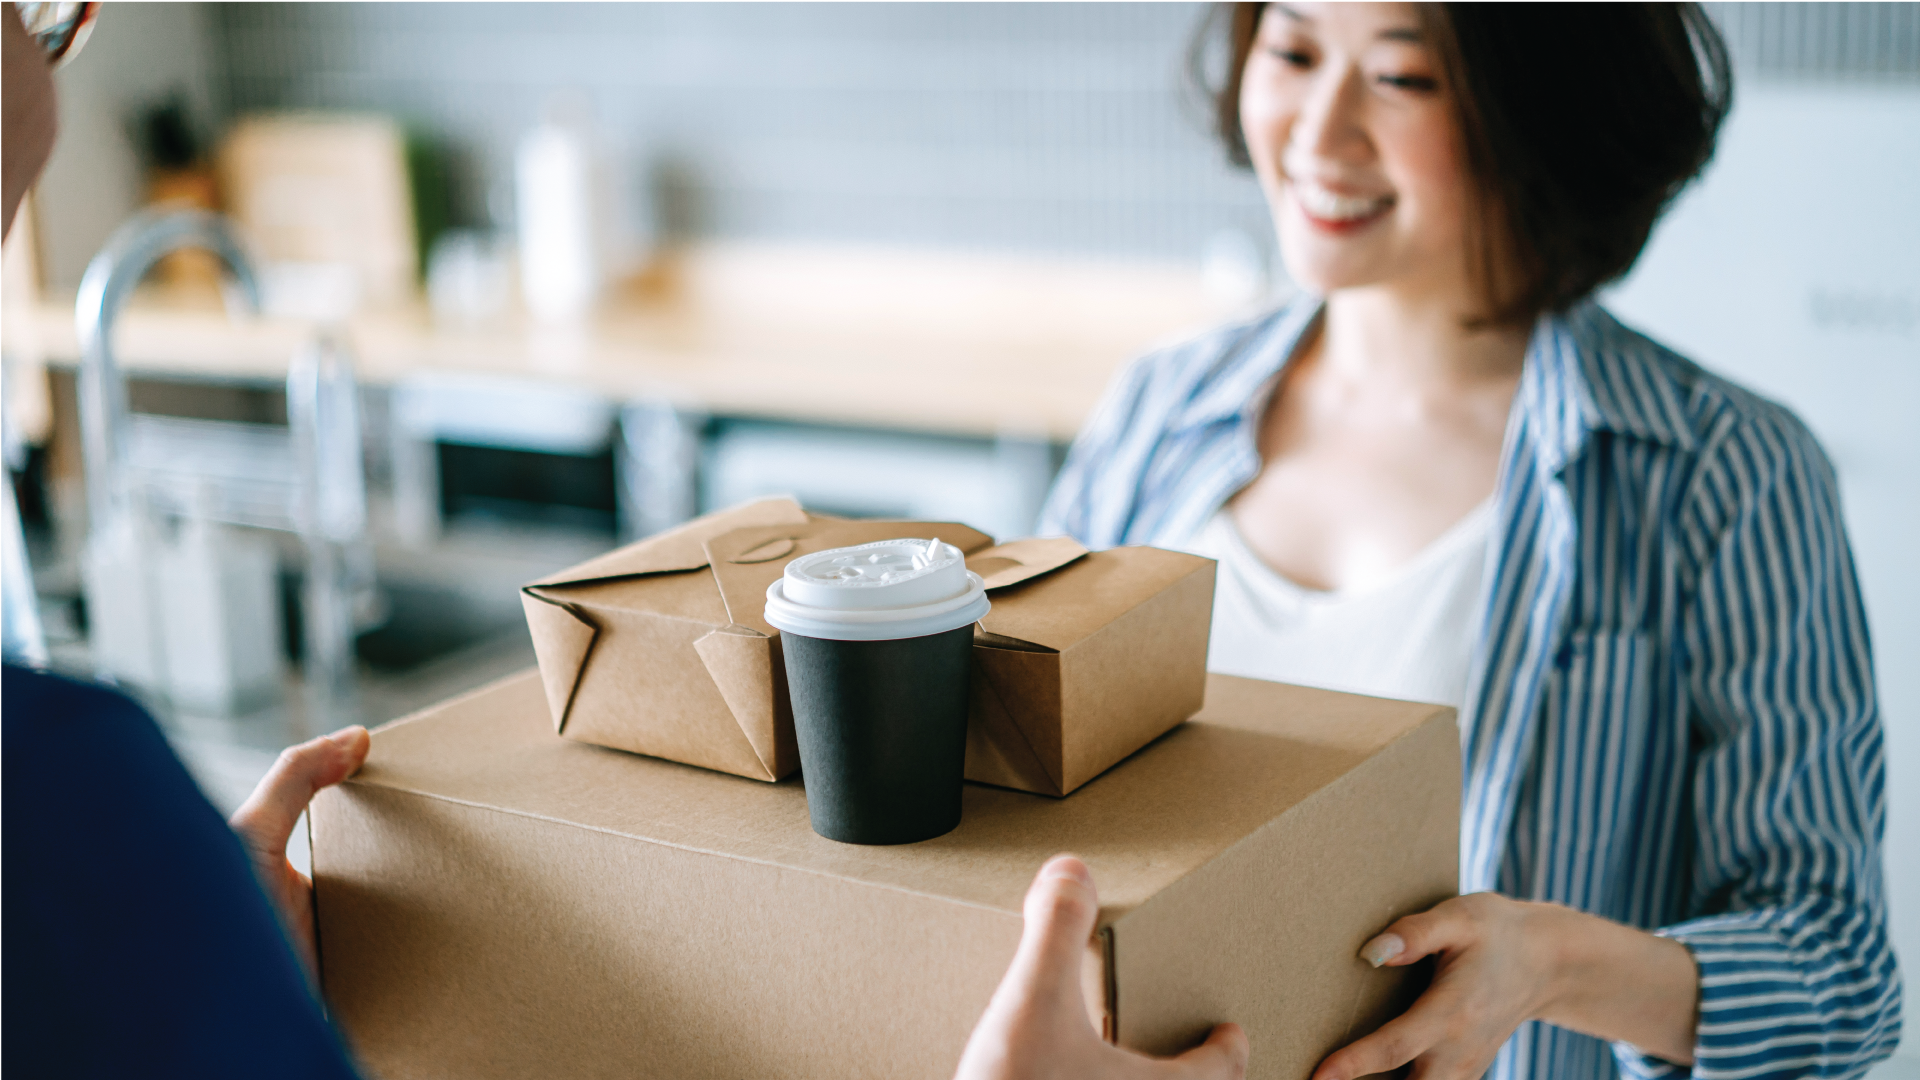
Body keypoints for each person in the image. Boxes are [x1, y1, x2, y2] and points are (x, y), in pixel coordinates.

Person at [0, 5, 1248, 1078]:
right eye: (35, 14)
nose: (52, 56)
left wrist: (235, 994)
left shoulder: (94, 840)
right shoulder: (70, 822)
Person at [1039, 2, 1901, 1078]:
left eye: (1402, 80)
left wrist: (1550, 966)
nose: (1318, 132)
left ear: (1536, 110)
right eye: (1295, 53)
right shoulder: (1155, 415)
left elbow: (1845, 976)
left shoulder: (1725, 472)